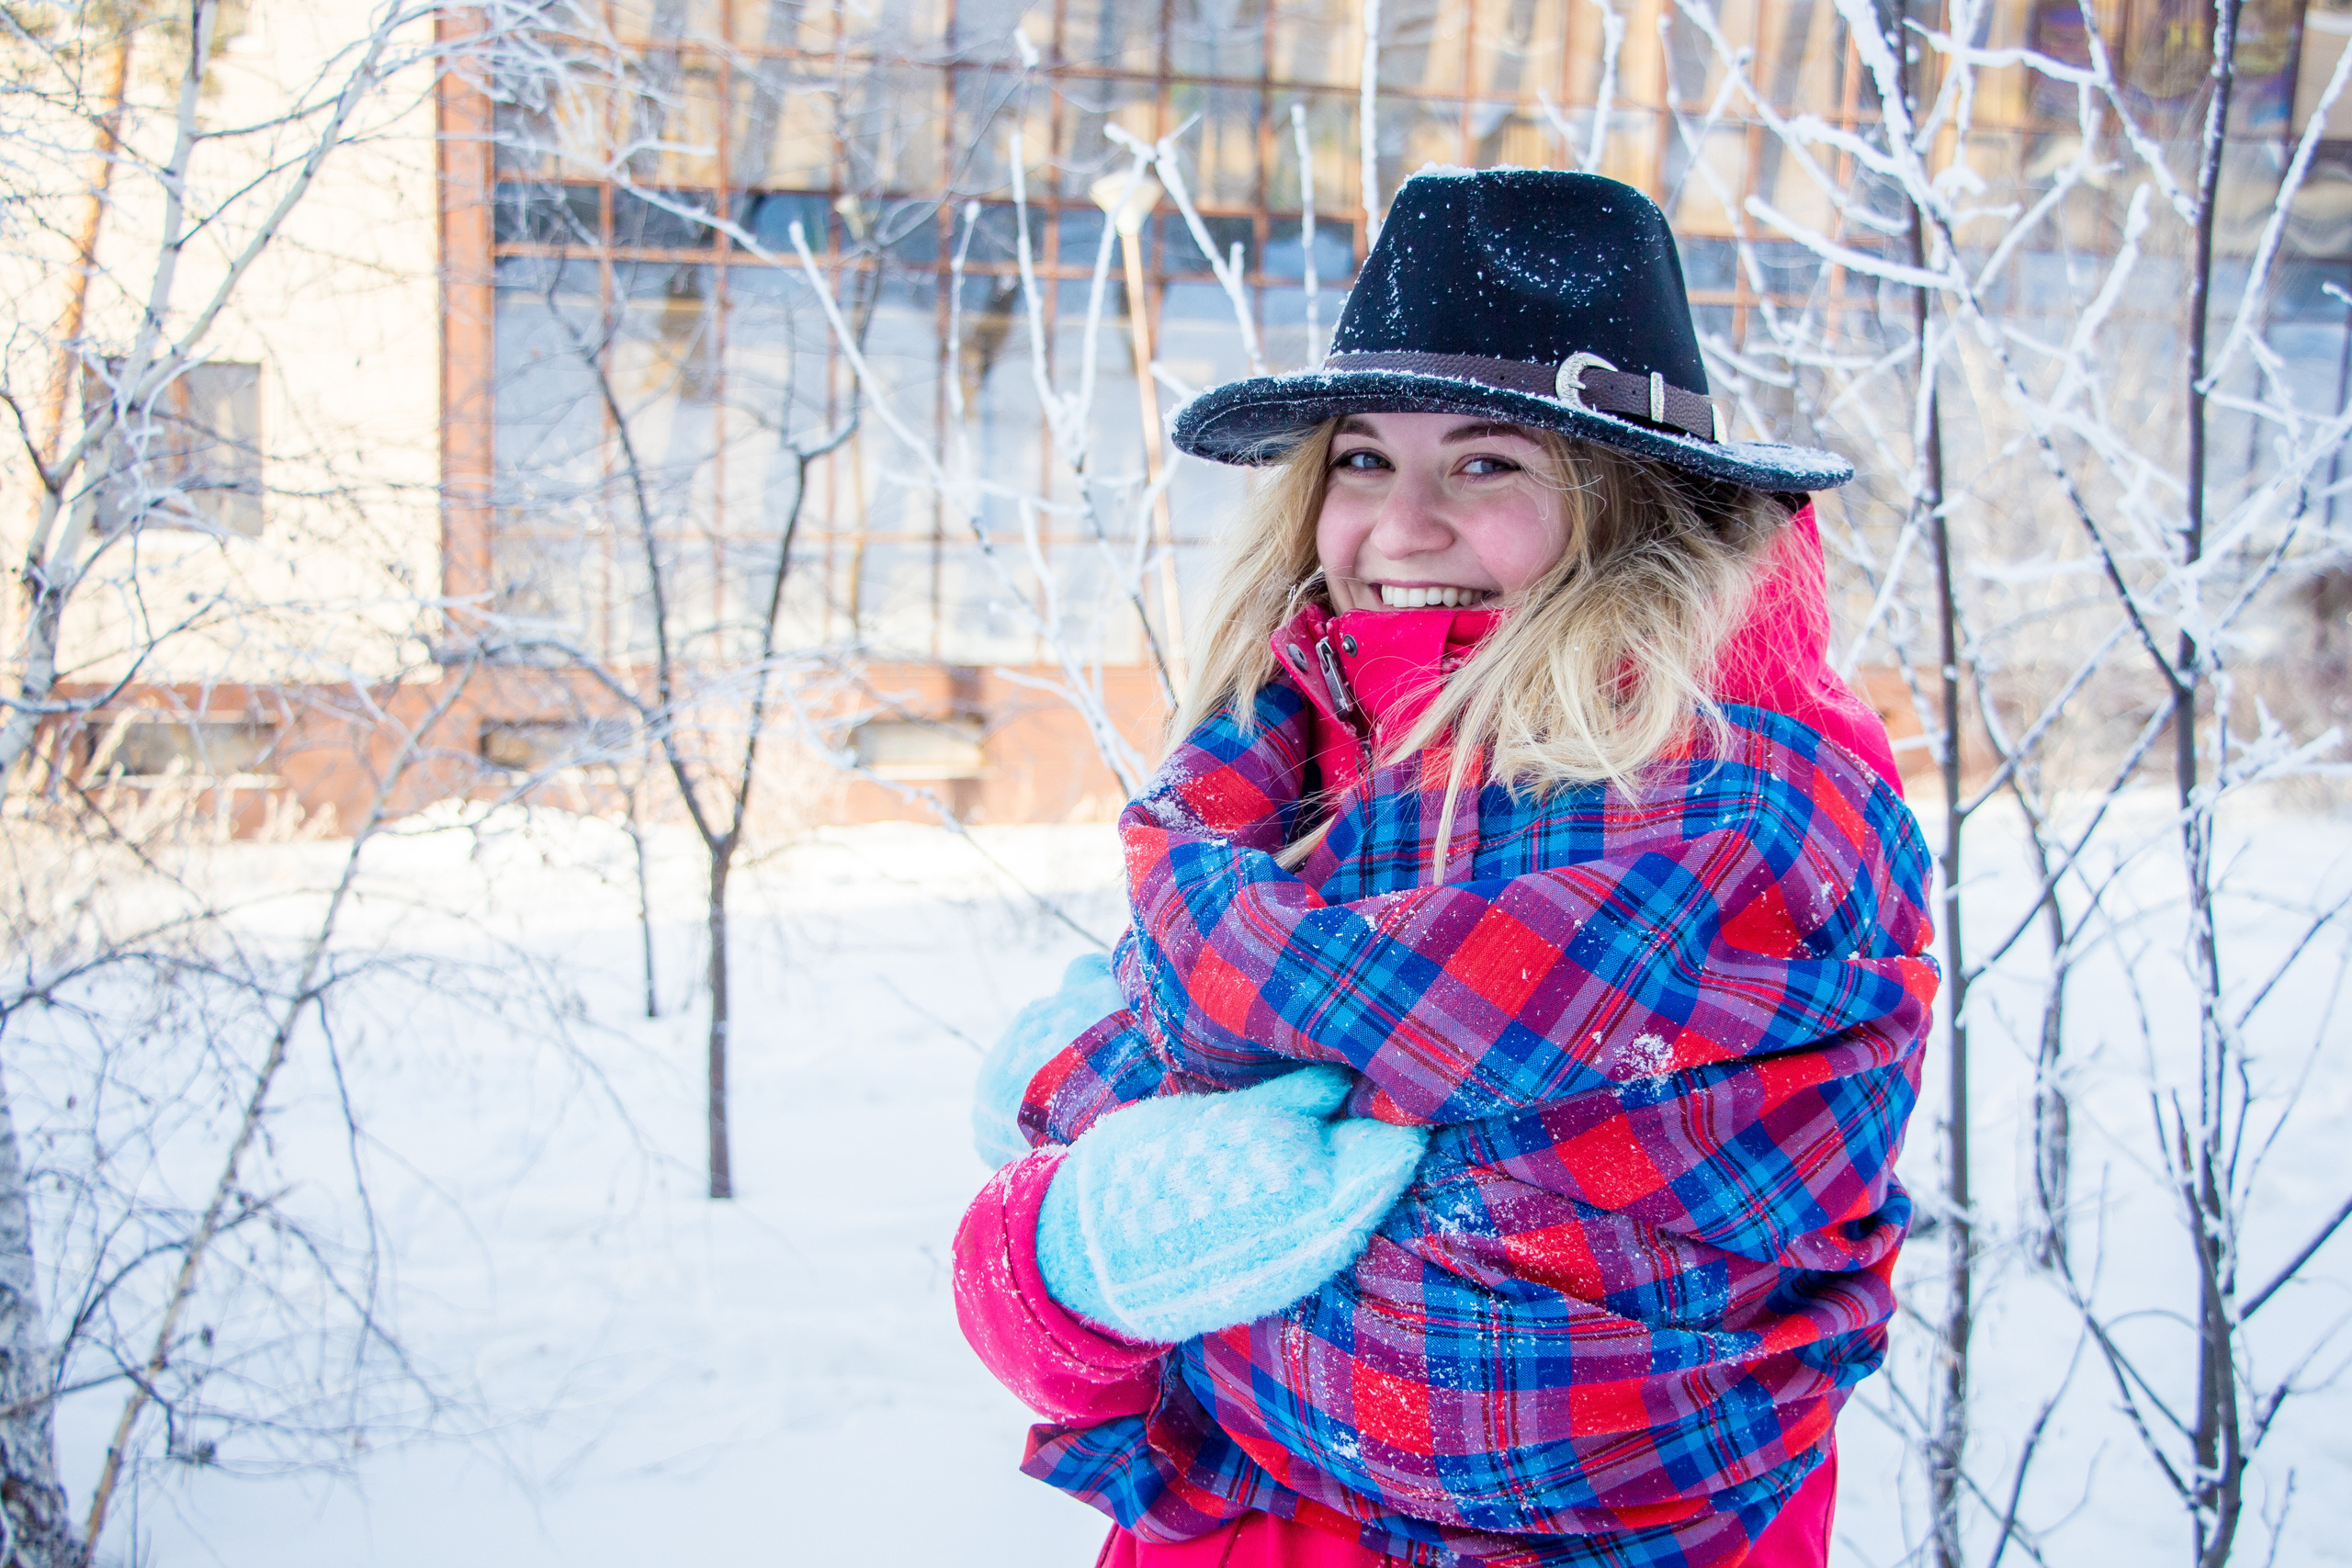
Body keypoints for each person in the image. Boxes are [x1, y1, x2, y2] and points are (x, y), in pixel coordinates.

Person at [955, 167, 1936, 1568]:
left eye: (1487, 463)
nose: (1400, 528)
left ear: (1633, 508)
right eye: (1363, 458)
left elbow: (1534, 1425)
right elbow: (1168, 1361)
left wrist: (1082, 1153)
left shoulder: (1738, 826)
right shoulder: (1276, 780)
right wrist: (1061, 1274)